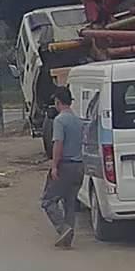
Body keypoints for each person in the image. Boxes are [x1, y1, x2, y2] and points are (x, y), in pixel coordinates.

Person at [41, 86, 83, 248]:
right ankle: (67, 238)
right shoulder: (78, 121)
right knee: (70, 203)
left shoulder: (60, 121)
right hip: (79, 166)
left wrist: (54, 166)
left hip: (65, 165)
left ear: (58, 102)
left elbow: (58, 144)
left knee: (48, 200)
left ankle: (63, 228)